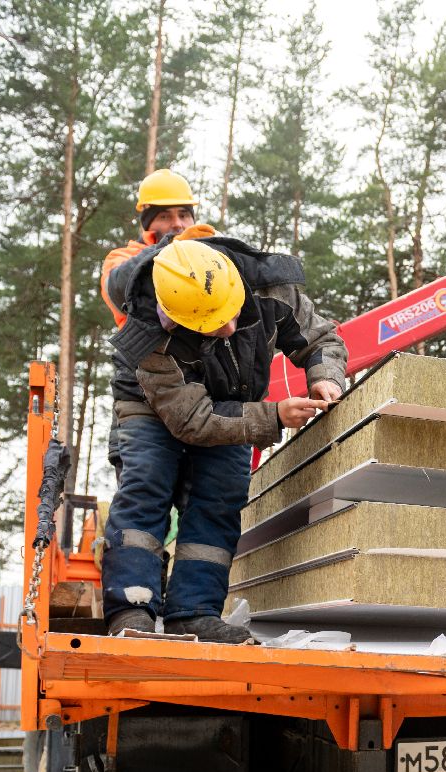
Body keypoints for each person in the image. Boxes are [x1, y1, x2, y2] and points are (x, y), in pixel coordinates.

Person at [101, 232, 346, 643]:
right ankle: (132, 610)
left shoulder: (270, 286)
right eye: (213, 324)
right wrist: (274, 415)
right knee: (146, 487)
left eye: (232, 313)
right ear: (172, 314)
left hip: (235, 400)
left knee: (220, 497)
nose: (231, 328)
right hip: (148, 406)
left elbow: (320, 338)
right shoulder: (146, 333)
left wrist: (325, 378)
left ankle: (193, 613)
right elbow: (193, 420)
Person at [102, 168, 203, 328]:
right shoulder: (121, 257)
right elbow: (118, 290)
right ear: (148, 223)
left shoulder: (207, 255)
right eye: (165, 216)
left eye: (183, 215)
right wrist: (168, 247)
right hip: (146, 350)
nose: (177, 223)